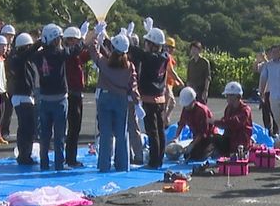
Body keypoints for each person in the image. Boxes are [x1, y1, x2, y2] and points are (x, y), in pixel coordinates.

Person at [32, 24, 86, 172]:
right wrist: (83, 37)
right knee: (59, 136)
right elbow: (76, 49)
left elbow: (28, 54)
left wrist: (40, 42)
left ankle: (44, 164)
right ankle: (59, 165)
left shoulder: (38, 55)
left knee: (45, 135)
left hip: (44, 98)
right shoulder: (59, 54)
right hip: (60, 99)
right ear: (56, 39)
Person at [86, 23, 139, 172]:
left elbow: (92, 50)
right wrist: (137, 103)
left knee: (105, 134)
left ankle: (104, 165)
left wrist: (96, 35)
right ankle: (122, 166)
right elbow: (133, 86)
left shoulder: (104, 63)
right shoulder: (129, 66)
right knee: (122, 134)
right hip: (121, 100)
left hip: (105, 98)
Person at [128, 23, 172, 169]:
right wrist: (150, 32)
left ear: (152, 45)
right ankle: (159, 159)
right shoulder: (165, 56)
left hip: (149, 99)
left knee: (152, 132)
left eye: (147, 42)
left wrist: (127, 37)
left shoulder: (150, 58)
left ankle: (154, 162)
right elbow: (159, 51)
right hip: (160, 98)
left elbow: (135, 51)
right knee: (160, 131)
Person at [6, 32, 40, 165]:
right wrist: (40, 42)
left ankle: (25, 154)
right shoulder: (18, 59)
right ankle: (24, 155)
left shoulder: (24, 60)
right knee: (26, 128)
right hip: (22, 97)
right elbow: (29, 53)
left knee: (27, 128)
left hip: (25, 97)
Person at [62, 26, 89, 168]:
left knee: (75, 128)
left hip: (77, 93)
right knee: (73, 128)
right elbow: (77, 52)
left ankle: (69, 157)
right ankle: (70, 159)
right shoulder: (67, 53)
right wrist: (84, 40)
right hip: (72, 93)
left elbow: (86, 55)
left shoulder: (74, 53)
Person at [172, 87, 216, 161]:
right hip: (197, 136)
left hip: (209, 137)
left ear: (194, 101)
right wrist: (176, 137)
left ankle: (213, 148)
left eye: (188, 105)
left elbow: (203, 133)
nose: (186, 107)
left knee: (198, 156)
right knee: (187, 155)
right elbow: (181, 124)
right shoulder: (186, 108)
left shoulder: (202, 111)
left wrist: (192, 145)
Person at [210, 81, 253, 156]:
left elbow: (234, 122)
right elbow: (225, 121)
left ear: (236, 96)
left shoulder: (245, 110)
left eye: (228, 96)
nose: (226, 98)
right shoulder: (229, 108)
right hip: (230, 140)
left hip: (241, 143)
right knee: (212, 137)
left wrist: (215, 122)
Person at [254, 50, 276, 135]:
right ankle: (268, 131)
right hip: (264, 92)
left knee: (274, 112)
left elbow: (269, 65)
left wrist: (264, 59)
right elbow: (255, 69)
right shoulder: (263, 65)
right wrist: (257, 60)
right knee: (265, 113)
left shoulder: (273, 65)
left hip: (272, 91)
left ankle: (275, 131)